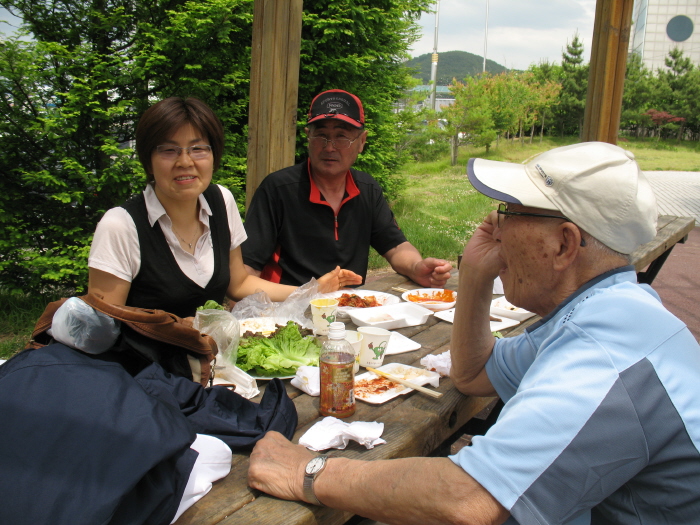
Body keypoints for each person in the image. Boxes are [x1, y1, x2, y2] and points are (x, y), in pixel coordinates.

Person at [247, 142, 700, 524]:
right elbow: (474, 374)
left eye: (511, 212)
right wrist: (478, 277)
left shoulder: (605, 352)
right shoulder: (606, 311)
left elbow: (471, 498)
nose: (495, 225)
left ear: (564, 244)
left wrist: (310, 472)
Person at [88, 97, 361, 319]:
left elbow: (238, 283)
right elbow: (104, 329)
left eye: (198, 149)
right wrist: (178, 332)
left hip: (212, 363)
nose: (185, 162)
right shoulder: (121, 226)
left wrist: (312, 289)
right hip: (147, 374)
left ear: (213, 155)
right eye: (169, 151)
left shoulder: (220, 201)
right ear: (149, 160)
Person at [242, 89, 452, 288]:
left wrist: (417, 268)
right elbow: (248, 267)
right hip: (288, 310)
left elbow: (396, 247)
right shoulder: (278, 189)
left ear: (361, 141)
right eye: (321, 135)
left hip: (348, 310)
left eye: (341, 136)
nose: (329, 147)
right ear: (308, 137)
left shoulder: (367, 189)